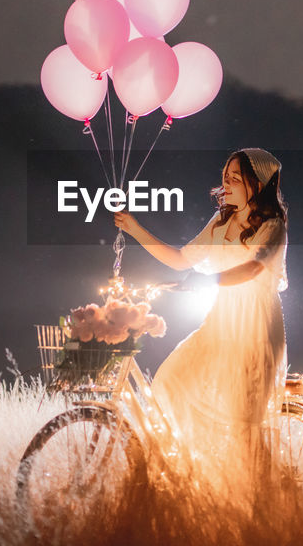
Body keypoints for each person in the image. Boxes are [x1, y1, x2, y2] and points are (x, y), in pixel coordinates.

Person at [112, 148, 289, 488]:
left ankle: (265, 496)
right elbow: (181, 259)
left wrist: (209, 280)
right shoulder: (221, 221)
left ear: (258, 183)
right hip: (221, 321)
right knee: (171, 381)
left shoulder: (272, 226)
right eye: (225, 177)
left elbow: (253, 268)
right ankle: (194, 469)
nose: (227, 183)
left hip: (254, 326)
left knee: (242, 421)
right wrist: (135, 229)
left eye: (236, 178)